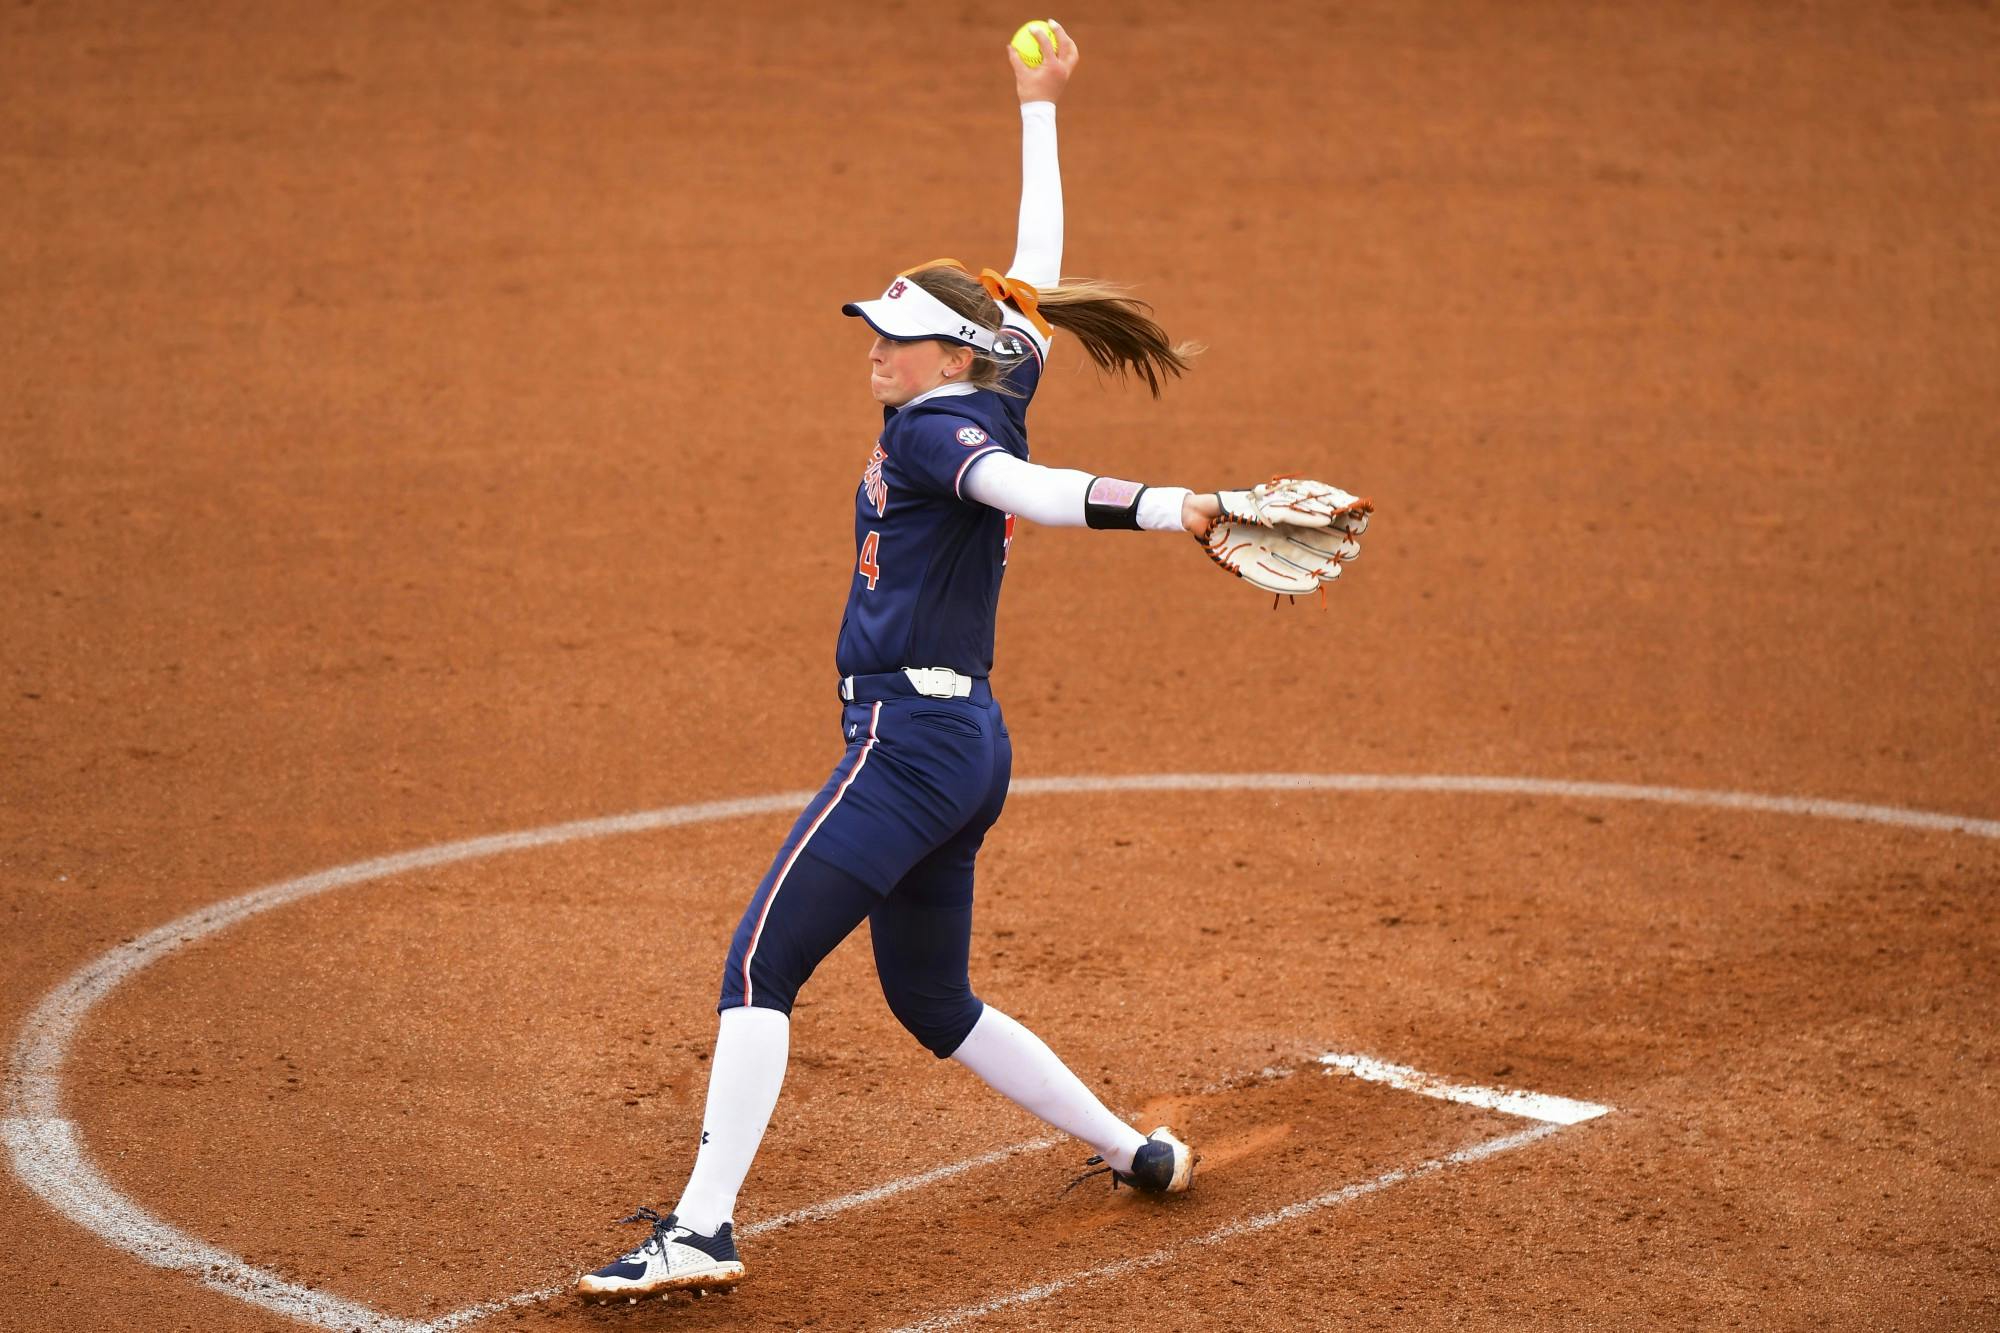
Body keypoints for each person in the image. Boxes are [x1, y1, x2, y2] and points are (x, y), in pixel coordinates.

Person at [577, 22, 1231, 1302]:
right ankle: (1136, 1151)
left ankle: (703, 1227)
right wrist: (1037, 107)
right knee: (932, 1000)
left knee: (761, 963)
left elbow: (1027, 495)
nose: (871, 347)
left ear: (942, 354)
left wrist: (1167, 505)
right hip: (964, 745)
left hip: (906, 748)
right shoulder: (989, 379)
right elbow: (1030, 276)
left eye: (892, 332)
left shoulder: (946, 435)